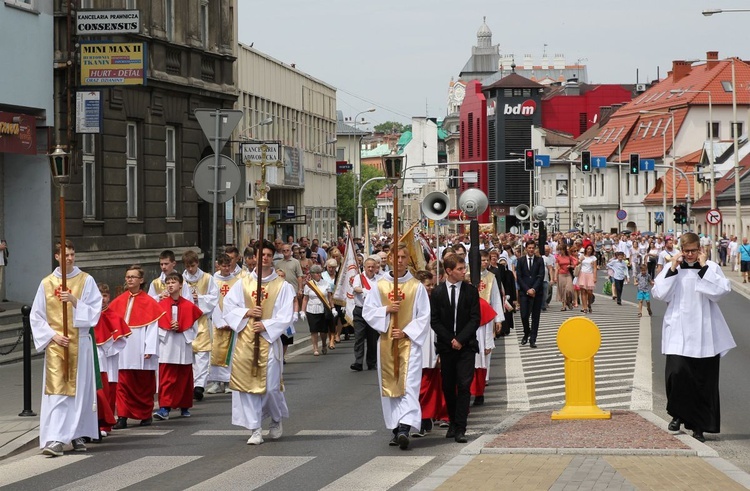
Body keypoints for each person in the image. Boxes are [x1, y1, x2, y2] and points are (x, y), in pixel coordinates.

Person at [652, 232, 736, 442]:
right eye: (686, 251)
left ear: (700, 249)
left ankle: (699, 426)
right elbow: (660, 294)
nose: (690, 255)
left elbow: (720, 291)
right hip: (678, 331)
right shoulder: (674, 270)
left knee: (702, 382)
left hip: (703, 331)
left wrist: (704, 268)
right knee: (677, 375)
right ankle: (677, 415)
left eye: (693, 251)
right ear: (681, 250)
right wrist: (672, 268)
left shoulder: (711, 268)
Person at [30, 241, 102, 456]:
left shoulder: (86, 280)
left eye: (72, 254)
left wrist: (74, 300)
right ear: (57, 257)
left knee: (79, 393)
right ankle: (55, 438)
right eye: (65, 255)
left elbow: (95, 312)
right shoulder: (46, 283)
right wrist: (52, 335)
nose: (70, 258)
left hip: (79, 343)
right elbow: (36, 316)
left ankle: (77, 433)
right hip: (56, 346)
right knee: (58, 394)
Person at [223, 240, 295, 445]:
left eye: (269, 255)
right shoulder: (243, 282)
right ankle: (255, 428)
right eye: (261, 255)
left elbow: (285, 315)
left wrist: (266, 325)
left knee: (271, 386)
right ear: (255, 257)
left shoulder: (282, 286)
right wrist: (247, 312)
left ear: (273, 258)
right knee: (248, 386)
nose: (264, 258)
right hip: (246, 339)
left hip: (268, 341)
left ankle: (276, 418)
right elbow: (228, 306)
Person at [363, 244, 431, 450]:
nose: (399, 260)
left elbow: (424, 316)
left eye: (403, 257)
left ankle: (404, 427)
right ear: (390, 259)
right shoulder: (380, 285)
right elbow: (368, 311)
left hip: (409, 344)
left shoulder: (416, 286)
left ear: (408, 259)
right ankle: (395, 428)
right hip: (386, 342)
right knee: (391, 386)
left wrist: (405, 332)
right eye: (396, 256)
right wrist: (386, 310)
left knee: (409, 386)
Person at [428, 253, 478, 444]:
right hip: (447, 347)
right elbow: (435, 320)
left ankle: (460, 427)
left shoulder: (470, 291)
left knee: (464, 386)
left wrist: (461, 340)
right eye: (459, 269)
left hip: (466, 346)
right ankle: (452, 422)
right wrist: (451, 340)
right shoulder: (438, 292)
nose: (464, 271)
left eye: (464, 268)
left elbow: (475, 319)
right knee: (448, 386)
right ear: (449, 271)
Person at [109, 265, 166, 429]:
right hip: (123, 348)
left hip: (140, 347)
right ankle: (122, 416)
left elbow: (152, 328)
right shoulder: (118, 301)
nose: (130, 279)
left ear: (141, 280)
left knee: (143, 384)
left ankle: (145, 414)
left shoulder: (149, 302)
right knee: (122, 382)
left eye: (133, 277)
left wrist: (149, 349)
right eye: (128, 277)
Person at [153, 272, 204, 421]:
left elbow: (195, 327)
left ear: (181, 285)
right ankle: (164, 407)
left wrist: (181, 326)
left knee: (184, 377)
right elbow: (155, 326)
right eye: (168, 283)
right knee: (167, 378)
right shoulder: (160, 306)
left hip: (182, 344)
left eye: (173, 282)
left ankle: (184, 405)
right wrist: (168, 327)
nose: (170, 285)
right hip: (167, 345)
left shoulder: (188, 305)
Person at [93, 283, 130, 439]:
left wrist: (108, 348)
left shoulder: (115, 317)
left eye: (105, 296)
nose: (102, 299)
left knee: (109, 391)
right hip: (96, 358)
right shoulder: (91, 316)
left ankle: (105, 424)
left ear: (109, 298)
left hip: (110, 360)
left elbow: (121, 340)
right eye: (99, 296)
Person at [182, 250, 218, 402]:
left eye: (193, 265)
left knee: (202, 355)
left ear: (197, 263)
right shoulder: (181, 279)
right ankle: (191, 384)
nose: (190, 269)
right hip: (186, 321)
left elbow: (214, 297)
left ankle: (199, 386)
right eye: (188, 266)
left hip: (201, 320)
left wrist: (199, 299)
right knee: (189, 355)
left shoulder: (207, 278)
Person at [206, 253, 241, 394]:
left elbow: (239, 302)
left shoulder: (237, 281)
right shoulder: (213, 281)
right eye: (224, 266)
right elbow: (211, 301)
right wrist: (219, 320)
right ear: (218, 266)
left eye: (228, 266)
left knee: (231, 352)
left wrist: (232, 319)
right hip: (216, 321)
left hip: (232, 321)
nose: (226, 269)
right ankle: (215, 382)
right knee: (215, 350)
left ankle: (228, 382)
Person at [471, 251, 501, 406]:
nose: (483, 263)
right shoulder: (467, 275)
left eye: (485, 260)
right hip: (470, 318)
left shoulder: (491, 277)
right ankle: (472, 386)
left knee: (485, 351)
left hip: (486, 318)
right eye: (481, 260)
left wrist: (498, 319)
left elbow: (495, 297)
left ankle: (483, 384)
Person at [350, 255, 381, 371]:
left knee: (372, 338)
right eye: (368, 267)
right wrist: (364, 290)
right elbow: (355, 288)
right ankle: (358, 362)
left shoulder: (379, 280)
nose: (371, 269)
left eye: (373, 267)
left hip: (373, 311)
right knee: (359, 337)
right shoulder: (359, 277)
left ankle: (371, 362)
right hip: (360, 310)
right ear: (364, 267)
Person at [301, 264, 334, 356]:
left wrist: (333, 308)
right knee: (314, 330)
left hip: (323, 309)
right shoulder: (309, 285)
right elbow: (305, 299)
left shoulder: (326, 283)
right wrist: (302, 311)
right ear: (312, 274)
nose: (318, 274)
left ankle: (323, 344)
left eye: (319, 273)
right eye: (316, 273)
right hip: (311, 309)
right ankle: (315, 348)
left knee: (323, 331)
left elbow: (330, 297)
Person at [516, 241, 544, 348]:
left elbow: (540, 276)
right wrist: (527, 290)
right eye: (529, 248)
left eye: (533, 248)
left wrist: (534, 289)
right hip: (524, 292)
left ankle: (533, 339)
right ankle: (526, 332)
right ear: (526, 248)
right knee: (524, 315)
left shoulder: (539, 260)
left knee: (535, 317)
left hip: (537, 292)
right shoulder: (521, 261)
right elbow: (519, 276)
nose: (531, 250)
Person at [577, 244, 598, 314]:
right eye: (588, 249)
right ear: (586, 249)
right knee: (583, 291)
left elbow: (595, 268)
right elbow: (577, 264)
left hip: (590, 274)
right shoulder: (582, 256)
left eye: (590, 249)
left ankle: (589, 303)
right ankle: (584, 307)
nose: (589, 250)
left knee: (589, 292)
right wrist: (580, 260)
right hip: (582, 274)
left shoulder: (593, 258)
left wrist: (595, 277)